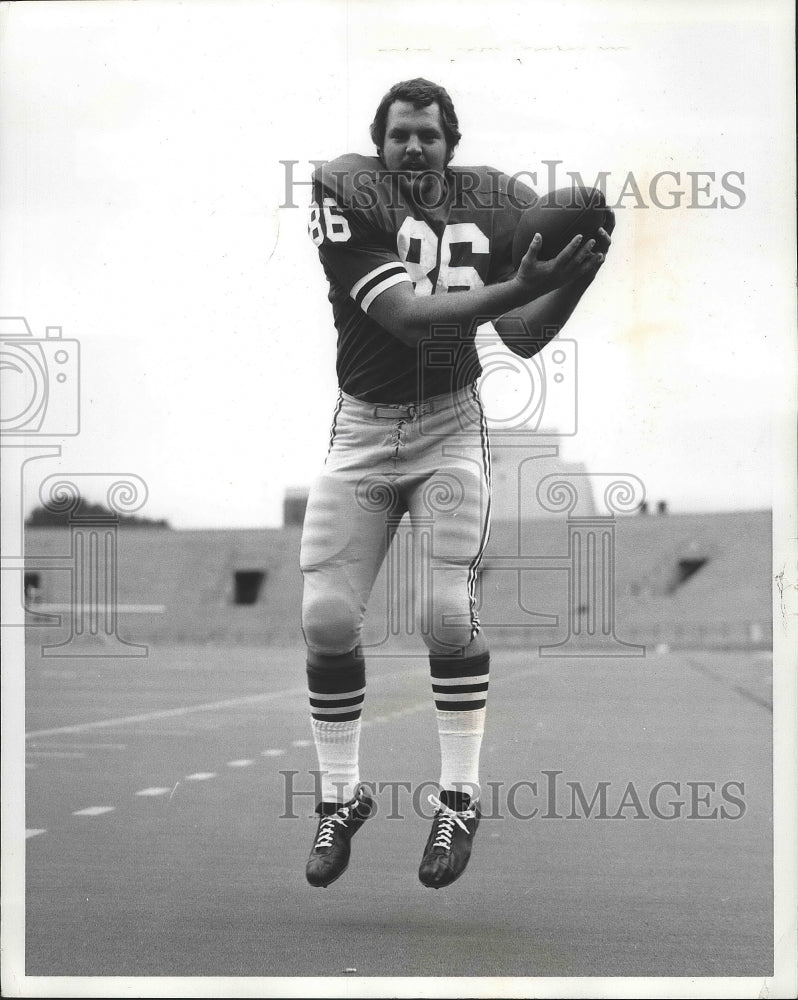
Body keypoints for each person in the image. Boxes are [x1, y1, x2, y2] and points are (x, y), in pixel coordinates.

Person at [301, 78, 611, 888]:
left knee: (446, 612)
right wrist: (520, 282)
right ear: (379, 142)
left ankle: (459, 800)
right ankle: (340, 798)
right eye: (399, 133)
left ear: (450, 144)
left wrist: (574, 275)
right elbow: (404, 316)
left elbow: (522, 334)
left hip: (447, 422)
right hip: (363, 426)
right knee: (328, 618)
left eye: (428, 135)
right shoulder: (346, 187)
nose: (412, 147)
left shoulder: (498, 201)